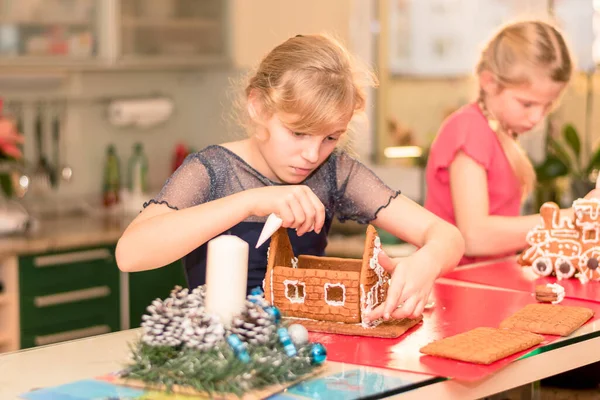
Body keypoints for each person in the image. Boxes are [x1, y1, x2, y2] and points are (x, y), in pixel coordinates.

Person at [116, 34, 464, 321]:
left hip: (304, 351)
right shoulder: (210, 170)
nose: (312, 155)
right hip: (219, 357)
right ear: (259, 107)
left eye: (330, 137)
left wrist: (427, 262)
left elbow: (448, 236)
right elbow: (130, 254)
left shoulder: (335, 173)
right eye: (299, 133)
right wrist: (248, 202)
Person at [424, 20, 598, 266]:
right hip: (458, 286)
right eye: (527, 104)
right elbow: (474, 236)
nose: (537, 117)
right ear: (489, 82)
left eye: (547, 104)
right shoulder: (469, 129)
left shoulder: (500, 133)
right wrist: (573, 217)